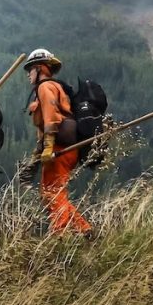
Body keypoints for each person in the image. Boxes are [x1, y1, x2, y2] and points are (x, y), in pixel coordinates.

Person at [24, 48, 91, 235]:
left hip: (59, 148)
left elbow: (51, 117)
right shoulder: (50, 87)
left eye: (30, 69)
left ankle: (59, 236)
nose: (28, 74)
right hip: (62, 148)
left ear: (40, 69)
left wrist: (48, 147)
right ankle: (84, 230)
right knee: (49, 192)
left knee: (53, 192)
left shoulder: (46, 87)